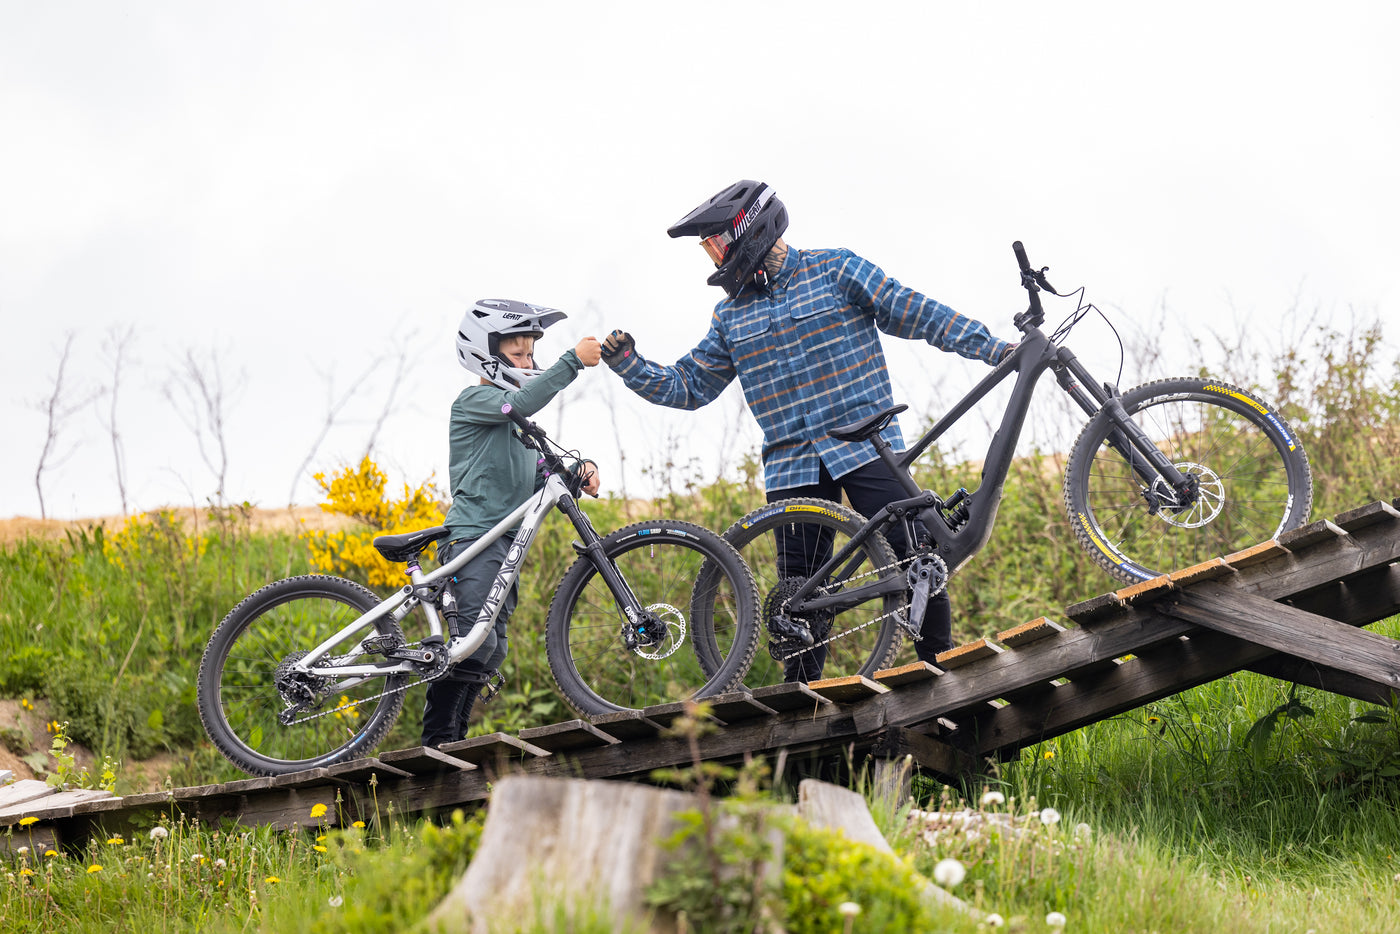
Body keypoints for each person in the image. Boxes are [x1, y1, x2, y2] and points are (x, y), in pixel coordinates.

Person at [601, 180, 1013, 682]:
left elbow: (917, 311)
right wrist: (629, 364)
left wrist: (993, 350)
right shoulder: (730, 315)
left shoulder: (835, 268)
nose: (710, 256)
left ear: (746, 229)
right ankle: (802, 709)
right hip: (791, 464)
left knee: (924, 560)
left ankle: (942, 680)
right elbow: (690, 387)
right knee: (799, 596)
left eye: (713, 242)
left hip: (866, 446)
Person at [421, 299, 602, 748]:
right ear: (487, 355)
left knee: (490, 648)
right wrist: (572, 363)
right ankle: (436, 741)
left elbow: (543, 472)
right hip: (473, 540)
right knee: (469, 642)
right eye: (519, 356)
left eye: (530, 356)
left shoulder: (517, 424)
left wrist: (579, 471)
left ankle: (451, 742)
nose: (529, 363)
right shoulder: (477, 401)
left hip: (504, 545)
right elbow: (520, 399)